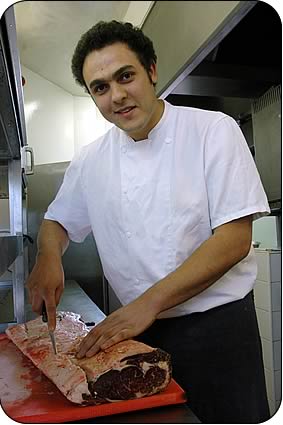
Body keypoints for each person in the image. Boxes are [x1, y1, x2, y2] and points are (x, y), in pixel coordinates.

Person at [26, 20, 271, 423]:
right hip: (136, 334)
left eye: (125, 76)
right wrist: (47, 255)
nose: (117, 96)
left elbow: (233, 239)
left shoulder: (212, 131)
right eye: (100, 88)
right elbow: (57, 222)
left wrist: (148, 303)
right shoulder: (91, 159)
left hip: (218, 332)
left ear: (151, 70)